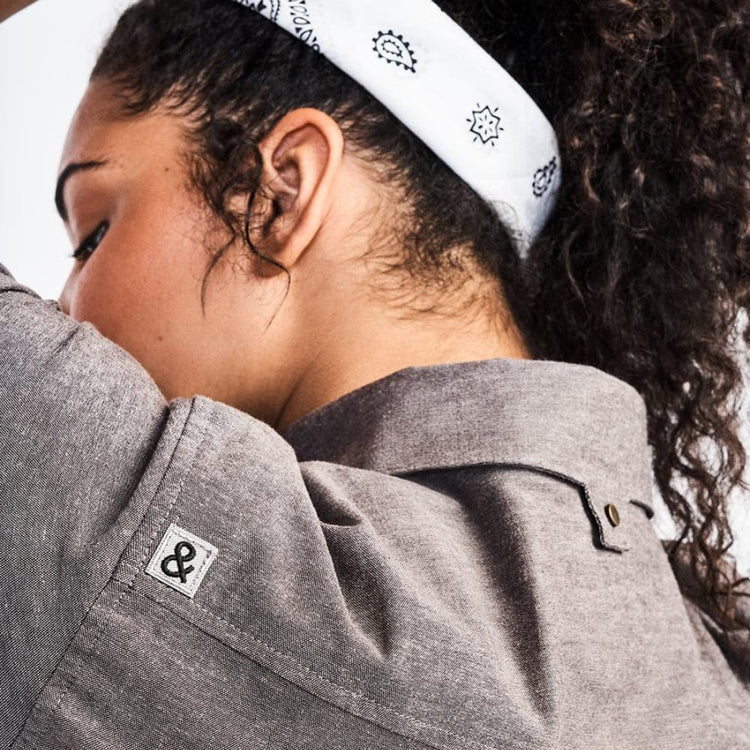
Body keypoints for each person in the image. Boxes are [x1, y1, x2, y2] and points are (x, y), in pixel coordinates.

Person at [1, 0, 748, 746]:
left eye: (93, 232)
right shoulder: (718, 674)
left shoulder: (115, 510)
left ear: (279, 193)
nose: (65, 305)